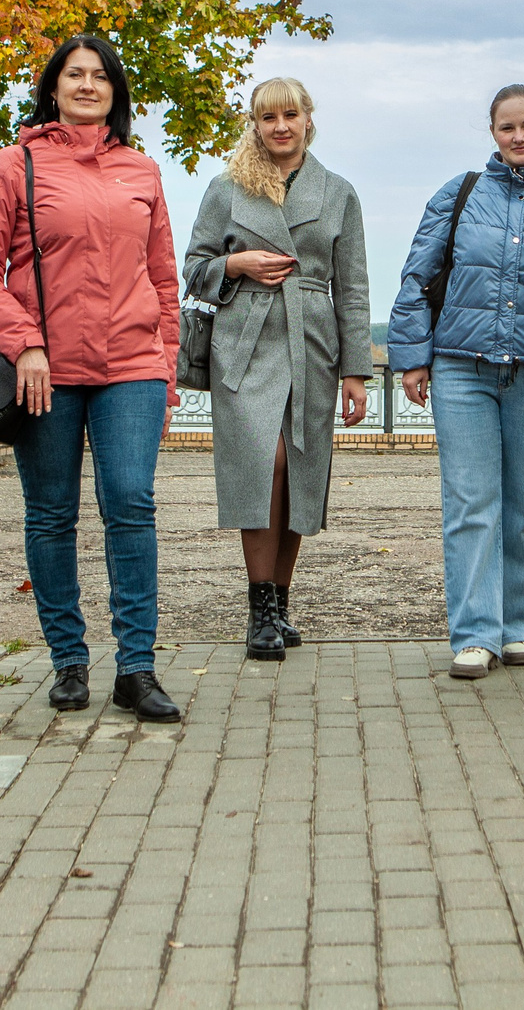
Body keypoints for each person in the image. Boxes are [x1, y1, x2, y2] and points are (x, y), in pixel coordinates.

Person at [0, 32, 184, 723]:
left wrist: (166, 369)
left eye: (100, 76)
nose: (87, 85)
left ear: (115, 92)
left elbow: (164, 279)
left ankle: (136, 668)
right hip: (45, 373)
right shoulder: (13, 164)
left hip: (132, 368)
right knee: (52, 513)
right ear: (52, 88)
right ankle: (68, 660)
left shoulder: (142, 170)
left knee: (131, 504)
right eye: (73, 74)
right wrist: (25, 343)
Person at [389, 84, 524, 679]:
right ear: (493, 132)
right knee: (470, 500)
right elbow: (418, 276)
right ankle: (474, 634)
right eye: (507, 127)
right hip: (461, 369)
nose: (519, 136)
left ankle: (518, 627)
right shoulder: (459, 195)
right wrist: (413, 357)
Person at [182, 78, 372, 662]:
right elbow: (191, 268)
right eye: (268, 118)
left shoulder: (338, 193)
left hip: (312, 344)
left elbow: (354, 288)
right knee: (265, 466)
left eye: (290, 115)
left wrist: (356, 371)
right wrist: (235, 263)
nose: (280, 127)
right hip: (245, 343)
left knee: (298, 474)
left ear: (309, 119)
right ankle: (258, 605)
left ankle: (280, 604)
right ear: (255, 125)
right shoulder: (226, 188)